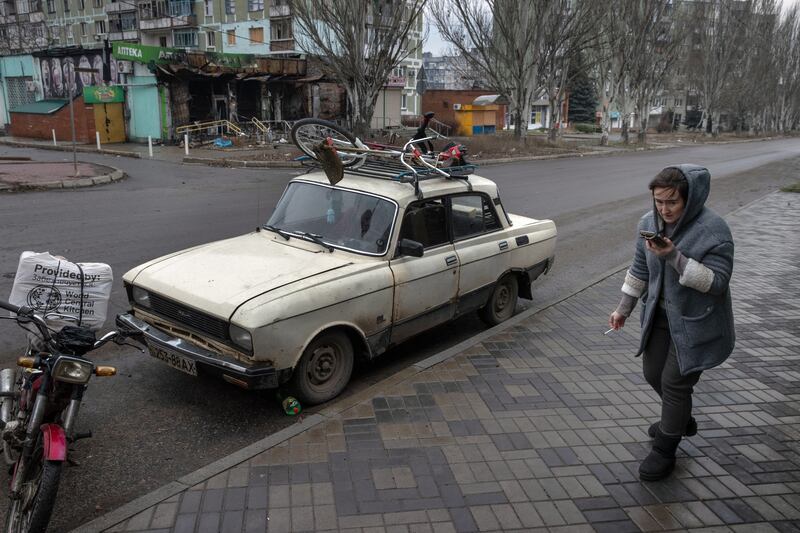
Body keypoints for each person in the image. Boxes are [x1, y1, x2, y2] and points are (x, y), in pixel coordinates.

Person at [608, 165, 735, 481]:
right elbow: (639, 268)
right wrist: (623, 308)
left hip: (696, 322)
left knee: (675, 383)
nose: (664, 209)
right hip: (659, 317)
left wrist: (675, 257)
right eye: (658, 201)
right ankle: (679, 419)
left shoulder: (713, 230)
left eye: (672, 202)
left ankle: (665, 448)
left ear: (689, 200)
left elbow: (717, 282)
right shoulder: (648, 222)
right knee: (653, 374)